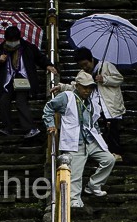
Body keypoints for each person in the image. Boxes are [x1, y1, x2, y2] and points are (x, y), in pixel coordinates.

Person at [42, 71, 117, 208]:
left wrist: (99, 136)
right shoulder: (67, 97)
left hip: (91, 139)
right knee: (75, 172)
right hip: (75, 141)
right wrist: (50, 124)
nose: (87, 90)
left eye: (90, 87)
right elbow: (49, 108)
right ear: (77, 86)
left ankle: (93, 185)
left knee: (109, 159)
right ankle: (73, 199)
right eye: (84, 87)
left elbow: (93, 120)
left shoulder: (91, 100)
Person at [0, 25, 54, 138]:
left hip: (23, 79)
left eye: (14, 40)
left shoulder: (28, 47)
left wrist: (48, 65)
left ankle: (31, 128)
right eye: (10, 40)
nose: (12, 43)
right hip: (8, 80)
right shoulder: (1, 49)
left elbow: (40, 58)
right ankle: (7, 127)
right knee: (4, 101)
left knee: (21, 101)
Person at [75, 47, 125, 151]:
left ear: (91, 59)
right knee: (100, 129)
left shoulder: (106, 65)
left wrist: (104, 79)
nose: (84, 67)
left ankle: (116, 152)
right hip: (96, 105)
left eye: (86, 64)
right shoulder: (84, 73)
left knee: (112, 128)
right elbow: (76, 86)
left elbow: (120, 79)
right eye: (81, 66)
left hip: (110, 103)